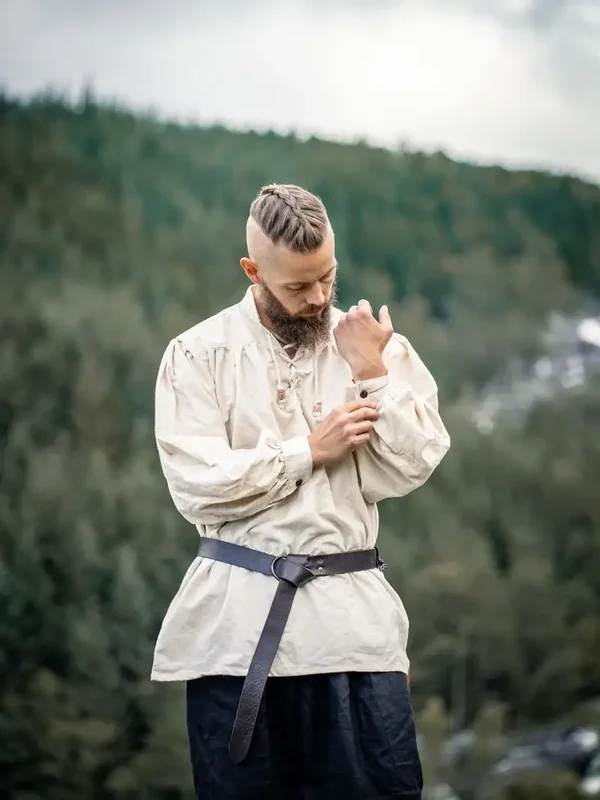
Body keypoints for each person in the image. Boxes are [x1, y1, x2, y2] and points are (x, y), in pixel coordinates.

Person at [153, 183, 451, 799]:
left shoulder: (372, 349)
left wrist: (373, 375)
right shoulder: (197, 355)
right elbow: (197, 487)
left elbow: (416, 462)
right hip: (236, 639)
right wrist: (307, 452)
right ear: (253, 271)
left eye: (327, 278)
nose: (317, 298)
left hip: (354, 638)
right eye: (297, 286)